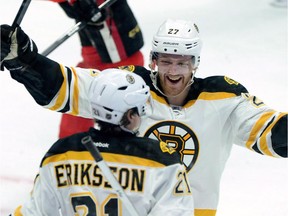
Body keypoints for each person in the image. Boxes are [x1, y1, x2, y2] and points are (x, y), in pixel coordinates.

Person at [1, 18, 287, 216]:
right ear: (153, 60)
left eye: (181, 63)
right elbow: (71, 87)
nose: (173, 71)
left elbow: (270, 132)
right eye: (165, 61)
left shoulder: (224, 98)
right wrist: (26, 60)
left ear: (195, 63)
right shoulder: (129, 87)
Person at [9, 69, 194, 216]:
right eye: (139, 109)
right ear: (130, 115)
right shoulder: (162, 161)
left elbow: (34, 213)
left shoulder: (62, 154)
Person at [49, 0, 145, 138]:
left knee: (120, 82)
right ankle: (74, 148)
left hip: (116, 34)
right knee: (90, 85)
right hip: (102, 40)